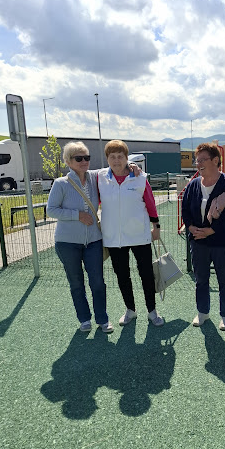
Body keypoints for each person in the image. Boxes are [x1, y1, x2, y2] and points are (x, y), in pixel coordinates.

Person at [47, 141, 113, 333]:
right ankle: (84, 319)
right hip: (67, 243)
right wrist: (77, 215)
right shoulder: (61, 183)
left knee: (98, 282)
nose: (84, 161)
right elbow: (51, 210)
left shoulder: (95, 177)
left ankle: (102, 319)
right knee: (76, 283)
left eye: (87, 157)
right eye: (79, 158)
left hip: (93, 241)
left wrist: (131, 165)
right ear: (68, 161)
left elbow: (114, 166)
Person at [98, 140, 164, 327]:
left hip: (139, 235)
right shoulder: (100, 177)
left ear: (127, 158)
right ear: (107, 159)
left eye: (120, 156)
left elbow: (150, 203)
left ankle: (152, 311)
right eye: (112, 157)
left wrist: (156, 226)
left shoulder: (139, 177)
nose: (116, 161)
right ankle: (130, 310)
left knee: (146, 274)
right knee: (122, 275)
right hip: (114, 237)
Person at [182, 142, 225, 330]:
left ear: (215, 160)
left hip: (222, 242)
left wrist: (211, 230)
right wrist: (191, 227)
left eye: (202, 160)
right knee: (201, 279)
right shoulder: (193, 185)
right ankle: (203, 312)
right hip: (198, 242)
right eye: (196, 161)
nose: (198, 164)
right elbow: (185, 210)